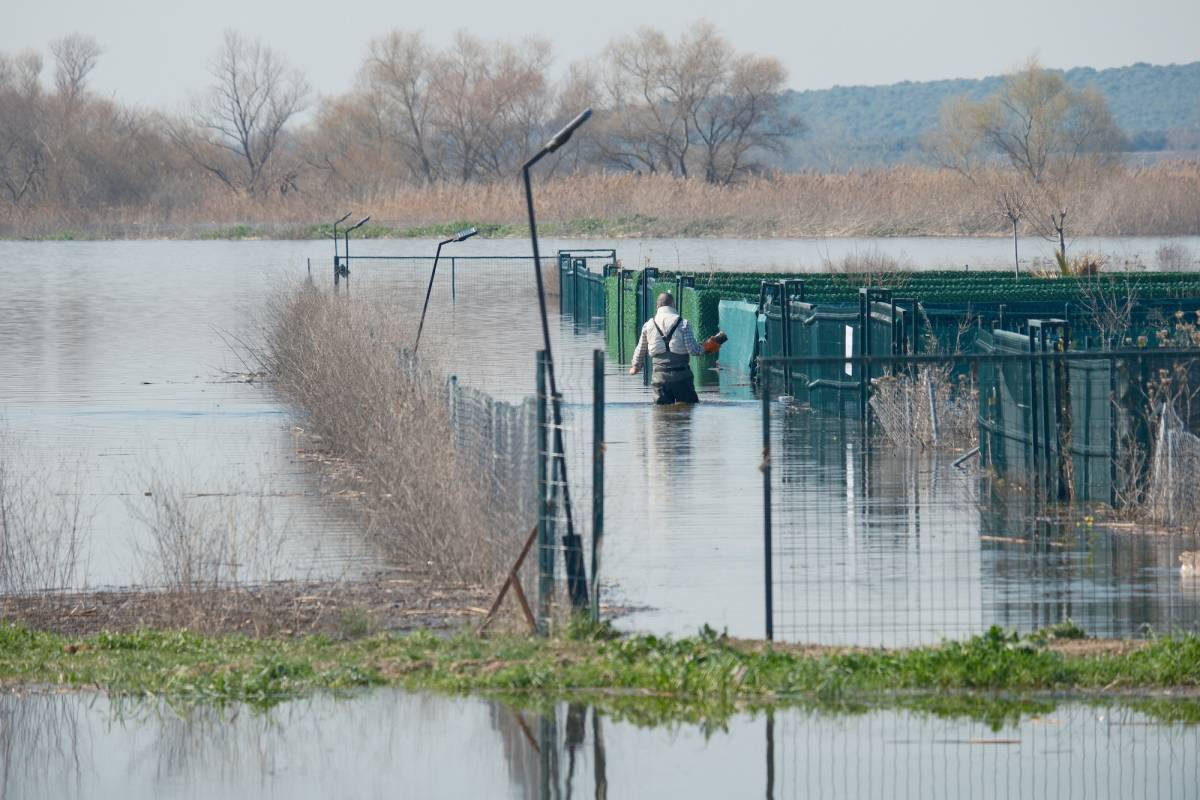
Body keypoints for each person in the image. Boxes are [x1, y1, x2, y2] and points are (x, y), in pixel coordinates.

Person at [629, 292, 722, 405]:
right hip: (682, 377)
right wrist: (709, 346)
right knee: (688, 409)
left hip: (659, 378)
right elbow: (693, 350)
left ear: (657, 307)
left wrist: (635, 366)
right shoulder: (683, 323)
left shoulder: (648, 325)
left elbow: (641, 348)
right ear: (673, 305)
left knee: (661, 414)